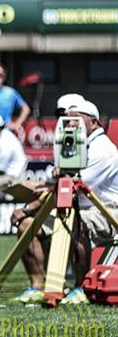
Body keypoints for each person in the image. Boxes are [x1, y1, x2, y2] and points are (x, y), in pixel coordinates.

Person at [11, 98, 118, 305]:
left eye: (75, 119)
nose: (69, 125)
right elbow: (58, 179)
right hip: (75, 205)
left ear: (93, 122)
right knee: (26, 226)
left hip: (105, 210)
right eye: (67, 120)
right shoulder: (75, 143)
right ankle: (38, 286)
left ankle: (81, 286)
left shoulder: (103, 150)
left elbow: (76, 187)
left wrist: (30, 206)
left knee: (76, 222)